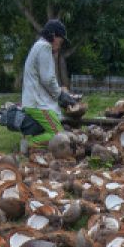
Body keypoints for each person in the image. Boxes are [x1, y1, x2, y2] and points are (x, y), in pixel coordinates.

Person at [20, 19, 79, 150]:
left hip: (35, 101)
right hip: (38, 103)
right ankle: (29, 143)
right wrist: (60, 95)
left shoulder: (39, 46)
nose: (60, 44)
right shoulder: (44, 47)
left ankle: (34, 143)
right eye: (60, 40)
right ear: (52, 35)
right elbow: (48, 79)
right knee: (58, 136)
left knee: (57, 133)